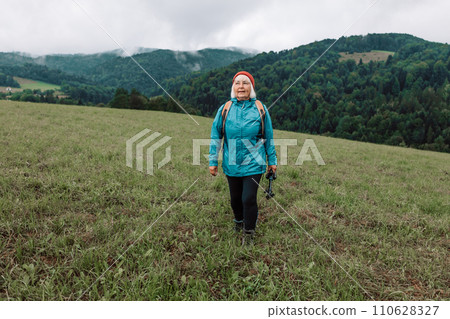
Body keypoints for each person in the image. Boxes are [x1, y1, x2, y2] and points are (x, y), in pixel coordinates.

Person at [209, 71, 277, 244]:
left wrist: (272, 161)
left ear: (251, 87)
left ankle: (249, 233)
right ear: (233, 87)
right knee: (235, 199)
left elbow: (268, 136)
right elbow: (216, 135)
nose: (241, 86)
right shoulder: (225, 109)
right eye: (237, 83)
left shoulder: (260, 108)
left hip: (254, 162)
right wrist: (212, 161)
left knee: (248, 198)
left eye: (245, 83)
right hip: (231, 163)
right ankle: (238, 221)